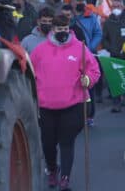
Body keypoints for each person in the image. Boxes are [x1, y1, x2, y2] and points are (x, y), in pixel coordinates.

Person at [31, 14, 100, 190]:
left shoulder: (80, 48)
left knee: (66, 142)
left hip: (73, 105)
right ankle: (53, 170)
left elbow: (94, 70)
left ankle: (65, 178)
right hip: (46, 106)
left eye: (65, 29)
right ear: (52, 29)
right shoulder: (40, 50)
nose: (63, 32)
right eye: (59, 29)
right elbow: (30, 74)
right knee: (48, 143)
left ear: (69, 29)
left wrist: (88, 80)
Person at [102, 0, 125, 112]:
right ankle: (116, 103)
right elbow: (104, 39)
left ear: (123, 7)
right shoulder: (108, 22)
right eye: (114, 7)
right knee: (115, 80)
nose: (116, 9)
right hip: (114, 55)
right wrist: (111, 49)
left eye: (118, 6)